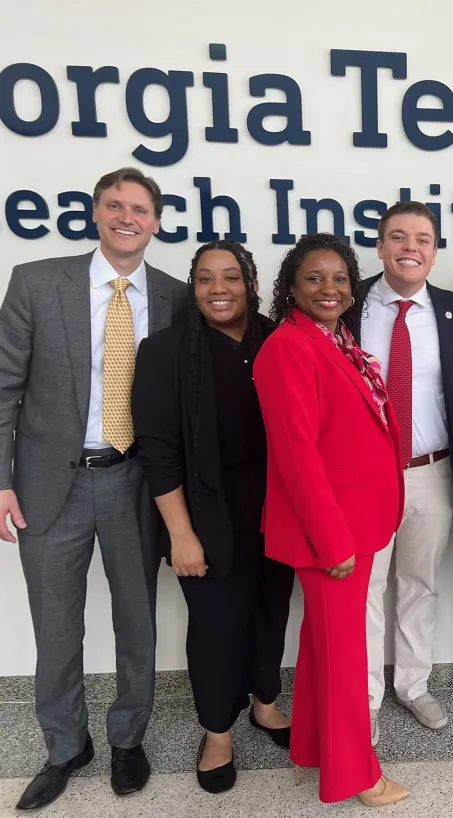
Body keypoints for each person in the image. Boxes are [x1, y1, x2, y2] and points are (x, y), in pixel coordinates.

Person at [0, 168, 189, 811]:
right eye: (115, 205)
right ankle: (64, 747)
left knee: (138, 622)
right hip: (49, 484)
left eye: (140, 209)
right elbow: (4, 390)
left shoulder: (174, 296)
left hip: (136, 481)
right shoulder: (35, 282)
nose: (127, 217)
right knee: (55, 627)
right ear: (96, 212)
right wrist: (1, 482)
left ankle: (128, 739)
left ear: (155, 222)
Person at [131, 240, 295, 794]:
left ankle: (265, 704)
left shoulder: (281, 339)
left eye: (230, 277)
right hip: (204, 512)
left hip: (277, 506)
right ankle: (218, 732)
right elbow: (157, 451)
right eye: (205, 279)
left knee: (270, 610)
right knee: (216, 626)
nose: (218, 289)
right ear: (193, 287)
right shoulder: (164, 352)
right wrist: (181, 533)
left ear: (251, 284)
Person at [253, 233, 408, 807]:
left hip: (357, 522)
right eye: (314, 278)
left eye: (340, 278)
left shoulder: (336, 340)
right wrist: (331, 539)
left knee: (326, 647)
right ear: (290, 287)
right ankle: (358, 776)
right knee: (345, 657)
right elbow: (296, 455)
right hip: (332, 534)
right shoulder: (288, 348)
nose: (330, 288)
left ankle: (313, 751)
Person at [359, 201, 453, 741]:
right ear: (380, 246)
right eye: (398, 237)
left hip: (432, 470)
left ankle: (412, 685)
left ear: (434, 251)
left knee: (420, 583)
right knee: (366, 588)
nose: (411, 247)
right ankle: (365, 698)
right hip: (365, 476)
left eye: (423, 239)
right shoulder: (349, 304)